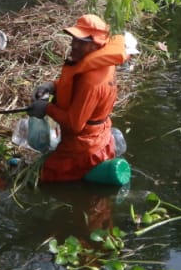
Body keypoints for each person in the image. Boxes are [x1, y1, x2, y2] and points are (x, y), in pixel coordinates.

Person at [29, 14, 127, 183]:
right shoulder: (102, 63)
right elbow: (76, 86)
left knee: (42, 178)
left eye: (82, 42)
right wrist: (53, 86)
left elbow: (75, 125)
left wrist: (46, 108)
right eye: (74, 39)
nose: (74, 45)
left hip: (85, 148)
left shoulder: (92, 82)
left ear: (96, 44)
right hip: (100, 136)